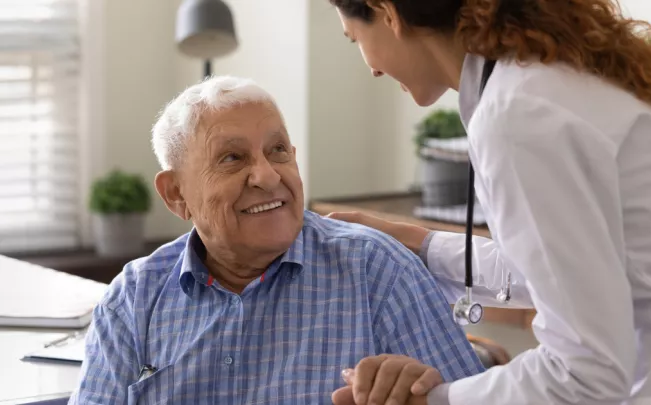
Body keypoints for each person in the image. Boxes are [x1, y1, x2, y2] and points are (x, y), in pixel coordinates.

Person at [326, 0, 651, 404]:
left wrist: (433, 400)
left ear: (387, 12)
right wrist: (420, 244)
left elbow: (585, 373)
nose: (371, 68)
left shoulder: (517, 114)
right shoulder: (553, 75)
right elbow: (563, 268)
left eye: (354, 37)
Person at [67, 76, 485, 404]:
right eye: (232, 158)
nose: (268, 176)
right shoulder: (134, 298)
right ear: (176, 194)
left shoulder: (377, 271)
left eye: (279, 151)